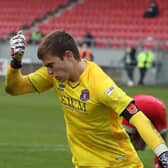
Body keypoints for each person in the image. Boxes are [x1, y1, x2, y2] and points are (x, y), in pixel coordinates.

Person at [5, 30, 168, 168]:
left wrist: (163, 154)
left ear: (68, 56)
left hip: (118, 164)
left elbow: (137, 116)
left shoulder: (99, 84)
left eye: (50, 65)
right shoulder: (55, 75)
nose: (48, 72)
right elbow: (14, 88)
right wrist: (15, 62)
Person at [122, 94, 167, 168]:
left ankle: (126, 164)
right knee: (161, 145)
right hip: (159, 108)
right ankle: (159, 165)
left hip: (134, 106)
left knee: (126, 144)